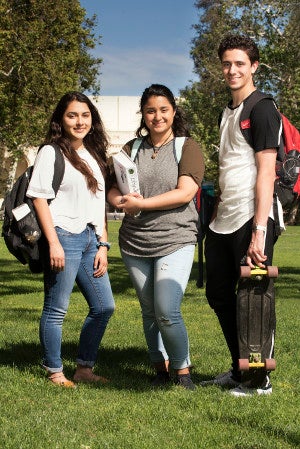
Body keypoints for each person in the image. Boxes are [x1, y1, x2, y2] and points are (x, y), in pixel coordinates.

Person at [107, 84, 205, 390]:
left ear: (174, 112)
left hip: (175, 238)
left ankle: (183, 372)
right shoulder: (130, 149)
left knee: (166, 309)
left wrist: (142, 205)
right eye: (151, 110)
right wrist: (118, 201)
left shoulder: (187, 147)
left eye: (164, 110)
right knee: (148, 310)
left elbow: (186, 192)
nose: (157, 116)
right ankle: (159, 367)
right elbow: (112, 186)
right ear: (143, 114)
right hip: (135, 242)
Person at [202, 35, 283, 396]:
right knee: (220, 294)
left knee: (253, 299)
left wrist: (259, 231)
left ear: (254, 67)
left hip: (254, 218)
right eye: (226, 63)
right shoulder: (227, 110)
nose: (232, 70)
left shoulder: (263, 108)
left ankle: (258, 379)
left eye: (239, 63)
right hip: (224, 218)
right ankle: (241, 369)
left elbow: (267, 172)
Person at [26, 92, 115, 388]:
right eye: (72, 115)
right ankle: (54, 371)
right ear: (61, 120)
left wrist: (103, 244)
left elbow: (98, 202)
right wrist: (53, 243)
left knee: (104, 307)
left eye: (85, 115)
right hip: (63, 235)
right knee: (56, 308)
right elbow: (38, 197)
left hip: (91, 239)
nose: (80, 121)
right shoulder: (51, 152)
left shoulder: (94, 154)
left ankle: (84, 368)